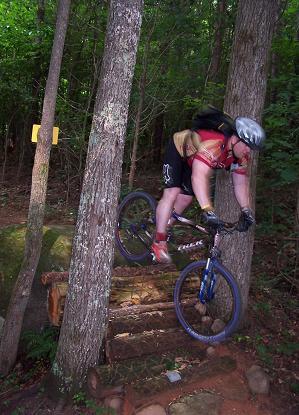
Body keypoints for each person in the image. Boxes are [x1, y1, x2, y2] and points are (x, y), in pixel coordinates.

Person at [151, 107, 266, 263]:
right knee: (172, 192)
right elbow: (199, 177)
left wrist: (246, 210)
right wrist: (207, 209)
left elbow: (240, 184)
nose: (248, 151)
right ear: (236, 138)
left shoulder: (241, 157)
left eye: (251, 148)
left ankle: (165, 223)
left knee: (185, 199)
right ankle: (159, 241)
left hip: (193, 159)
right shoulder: (215, 145)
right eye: (246, 145)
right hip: (178, 150)